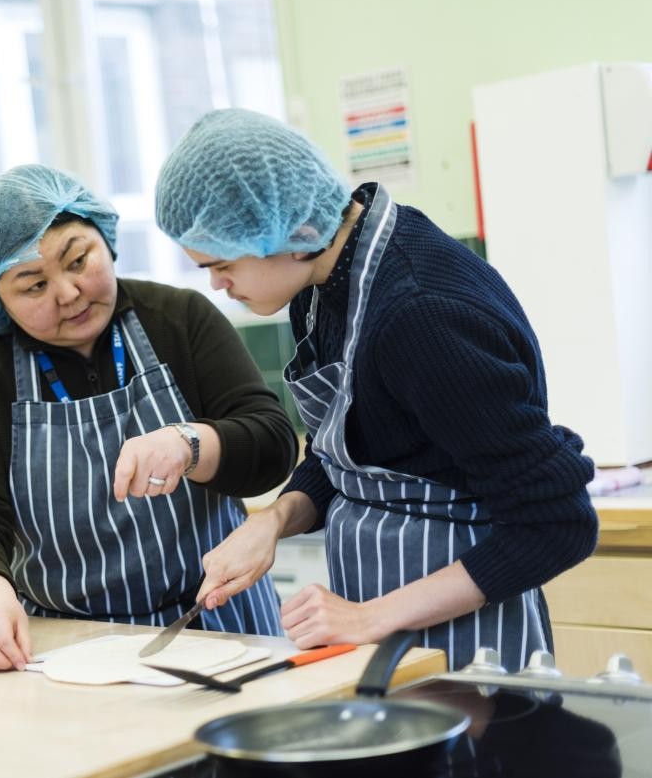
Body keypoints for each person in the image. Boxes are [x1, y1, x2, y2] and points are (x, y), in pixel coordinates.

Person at [154, 108, 598, 671]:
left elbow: (558, 523)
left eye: (221, 264)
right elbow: (345, 452)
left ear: (292, 232)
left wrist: (370, 618)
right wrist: (271, 522)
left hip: (469, 650)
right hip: (382, 634)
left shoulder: (420, 316)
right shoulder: (320, 280)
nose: (217, 285)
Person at [0, 164, 299, 671]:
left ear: (105, 239)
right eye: (33, 286)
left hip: (219, 628)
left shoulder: (180, 320)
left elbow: (272, 442)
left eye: (78, 260)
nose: (68, 292)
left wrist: (190, 444)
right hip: (69, 646)